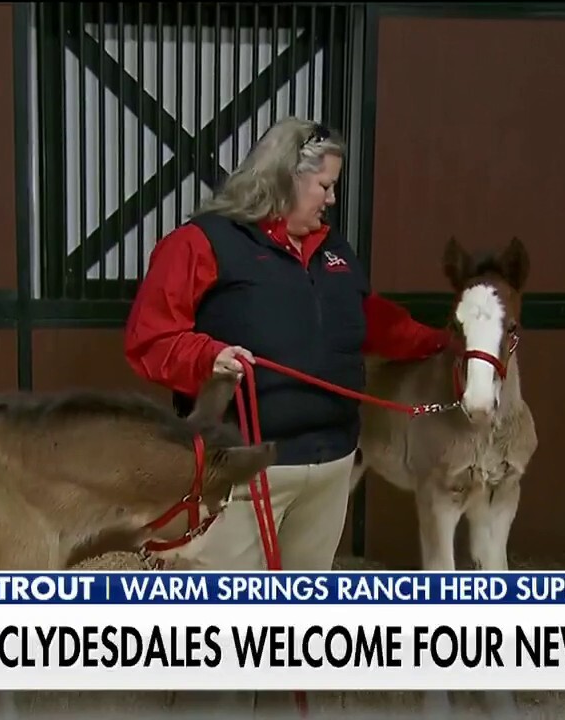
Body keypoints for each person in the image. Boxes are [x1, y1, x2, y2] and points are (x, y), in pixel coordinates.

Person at [123, 116, 455, 571]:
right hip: (242, 467)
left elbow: (370, 320)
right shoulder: (200, 243)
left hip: (331, 464)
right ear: (285, 177)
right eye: (325, 185)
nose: (332, 199)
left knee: (301, 607)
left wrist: (445, 343)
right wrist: (208, 357)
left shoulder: (333, 251)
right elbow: (152, 338)